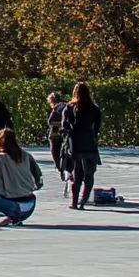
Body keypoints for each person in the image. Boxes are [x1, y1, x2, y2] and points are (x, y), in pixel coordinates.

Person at [0, 128, 43, 225]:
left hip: (13, 206)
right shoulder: (26, 155)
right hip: (30, 205)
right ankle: (12, 217)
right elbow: (39, 179)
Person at [62, 81, 103, 210]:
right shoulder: (94, 109)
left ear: (75, 93)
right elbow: (97, 127)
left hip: (75, 144)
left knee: (77, 173)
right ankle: (83, 202)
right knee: (89, 175)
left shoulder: (69, 108)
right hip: (89, 143)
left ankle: (74, 202)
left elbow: (65, 124)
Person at [46, 91, 67, 184]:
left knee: (55, 152)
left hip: (55, 134)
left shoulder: (56, 108)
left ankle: (60, 168)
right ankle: (66, 168)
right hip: (66, 133)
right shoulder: (66, 105)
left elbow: (50, 121)